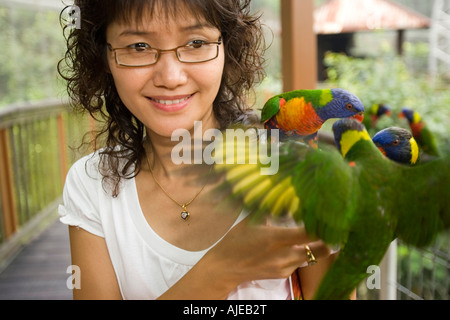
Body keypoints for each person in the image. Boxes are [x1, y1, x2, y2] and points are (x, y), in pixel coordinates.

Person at [58, 0, 337, 300]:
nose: (170, 77)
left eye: (196, 43)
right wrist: (222, 268)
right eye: (139, 46)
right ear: (104, 58)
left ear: (226, 48)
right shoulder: (92, 185)